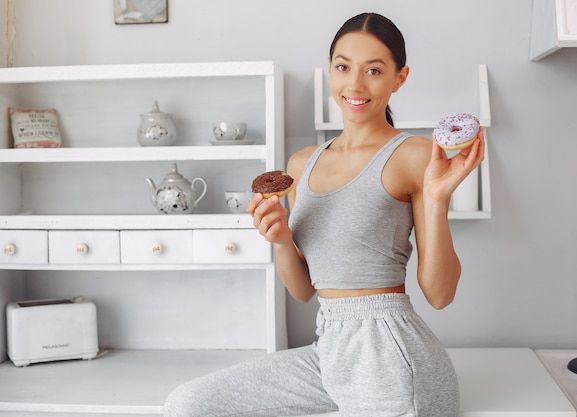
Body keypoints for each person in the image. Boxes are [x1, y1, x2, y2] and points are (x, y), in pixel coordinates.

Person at [164, 12, 484, 417]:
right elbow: (304, 291)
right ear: (329, 69)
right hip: (327, 350)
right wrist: (281, 241)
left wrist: (437, 200)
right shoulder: (300, 165)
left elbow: (440, 295)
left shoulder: (414, 155)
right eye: (343, 67)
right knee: (187, 404)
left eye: (374, 70)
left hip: (391, 355)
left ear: (399, 78)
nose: (355, 84)